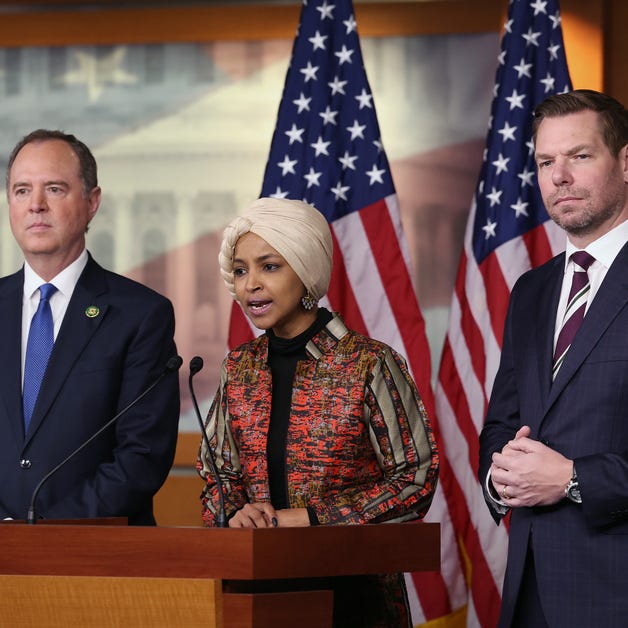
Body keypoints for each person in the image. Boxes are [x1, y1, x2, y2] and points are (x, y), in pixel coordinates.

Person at [197, 197, 438, 627]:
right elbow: (218, 475)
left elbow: (415, 480)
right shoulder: (239, 367)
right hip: (256, 593)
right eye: (239, 270)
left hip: (354, 597)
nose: (250, 284)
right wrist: (235, 512)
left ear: (306, 272)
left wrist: (310, 519)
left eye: (269, 266)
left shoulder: (368, 362)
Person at [479, 89, 628, 627]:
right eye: (546, 161)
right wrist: (503, 476)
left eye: (580, 156)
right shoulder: (532, 291)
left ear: (626, 162)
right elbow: (501, 422)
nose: (559, 176)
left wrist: (570, 478)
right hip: (530, 593)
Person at [0, 129, 180, 525]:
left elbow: (140, 456)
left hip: (96, 559)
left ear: (92, 202)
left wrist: (42, 531)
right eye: (21, 190)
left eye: (55, 188)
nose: (36, 205)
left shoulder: (141, 315)